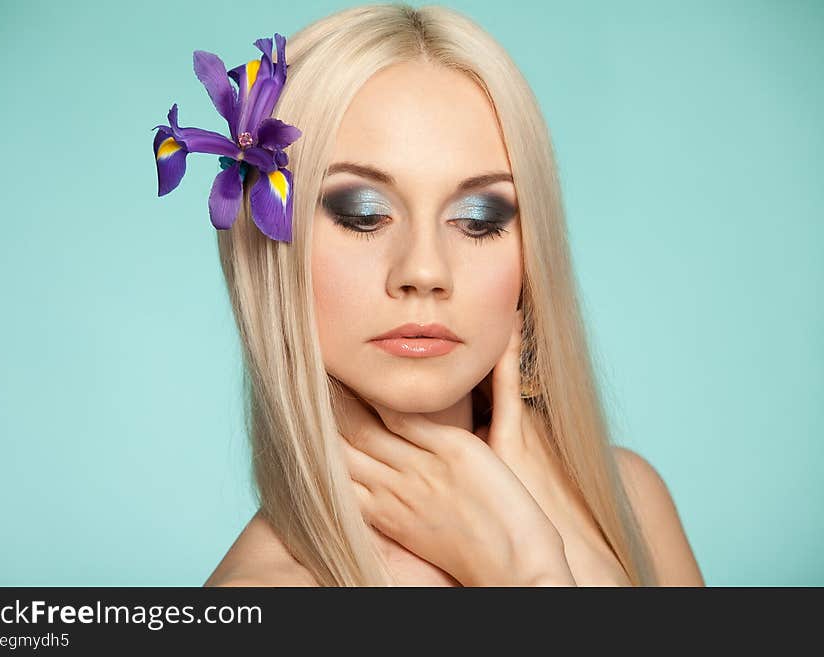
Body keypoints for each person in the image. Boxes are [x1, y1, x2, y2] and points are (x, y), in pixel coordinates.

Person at [195, 3, 704, 586]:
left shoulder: (630, 500)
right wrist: (527, 572)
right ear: (269, 241)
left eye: (480, 216)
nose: (425, 270)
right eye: (363, 213)